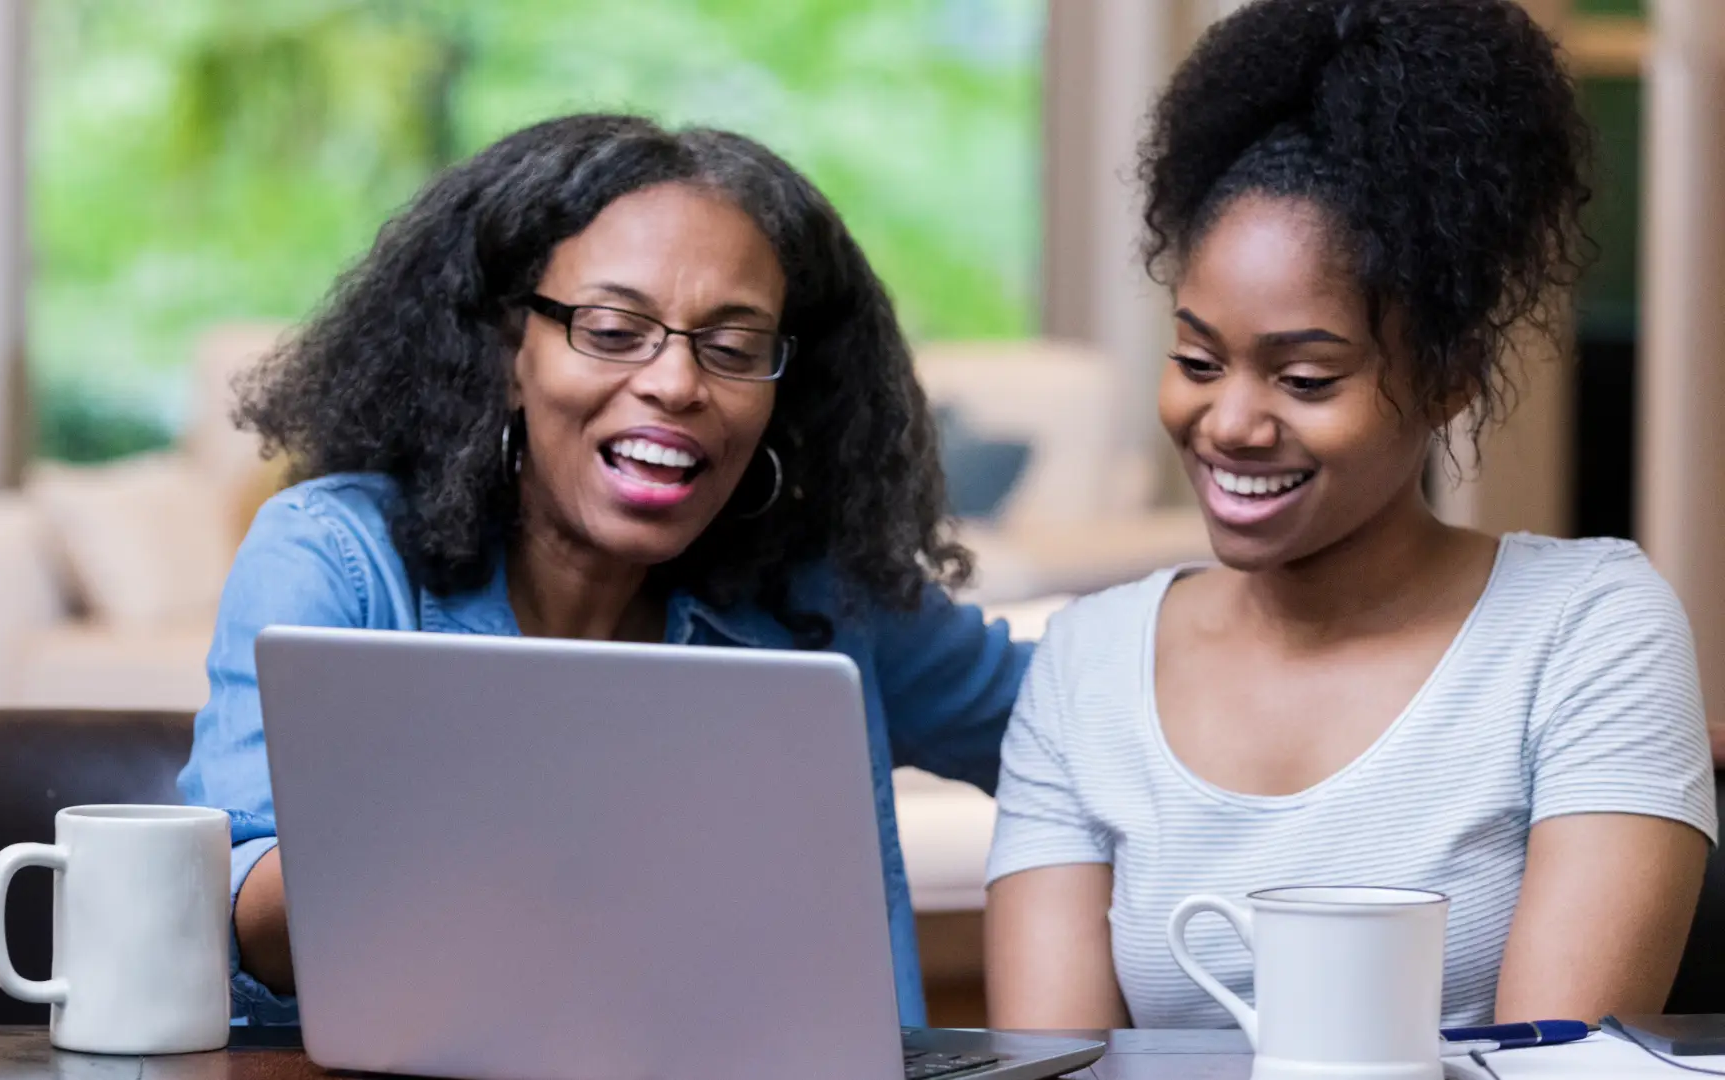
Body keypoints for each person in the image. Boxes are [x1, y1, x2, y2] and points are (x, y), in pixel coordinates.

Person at [178, 114, 1030, 1026]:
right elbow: (222, 919)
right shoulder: (336, 558)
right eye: (616, 329)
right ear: (509, 352)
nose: (675, 382)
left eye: (734, 347)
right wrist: (471, 823)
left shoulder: (823, 593)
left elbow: (1072, 723)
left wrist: (1198, 602)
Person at [984, 0, 1715, 1030]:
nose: (1230, 421)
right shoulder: (1085, 668)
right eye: (1197, 361)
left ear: (1451, 377)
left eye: (1308, 377)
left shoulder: (1587, 628)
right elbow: (1049, 1062)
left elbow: (1557, 1064)